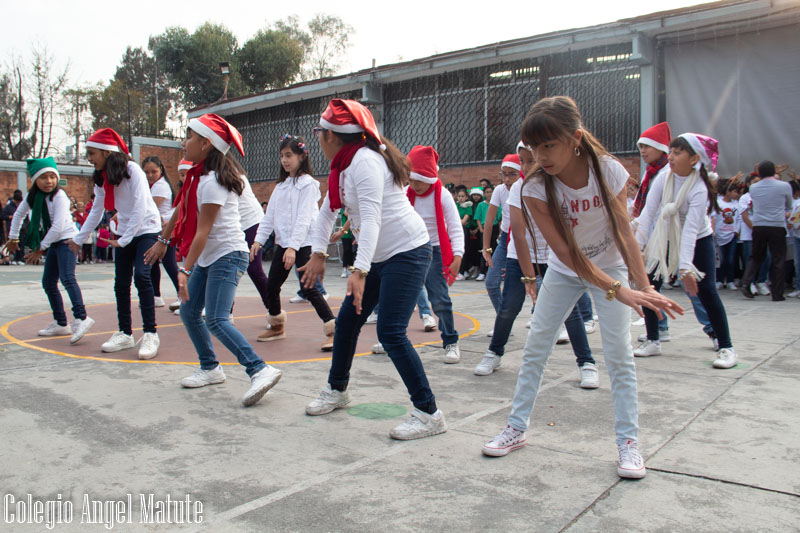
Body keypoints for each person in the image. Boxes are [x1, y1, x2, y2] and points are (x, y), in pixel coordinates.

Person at [481, 96, 682, 480]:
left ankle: (628, 442)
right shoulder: (534, 188)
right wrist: (617, 289)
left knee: (620, 355)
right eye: (534, 148)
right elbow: (567, 253)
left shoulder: (607, 170)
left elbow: (624, 231)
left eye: (549, 145)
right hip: (566, 269)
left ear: (574, 138)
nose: (541, 156)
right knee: (536, 345)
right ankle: (516, 428)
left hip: (613, 265)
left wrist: (642, 284)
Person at [301, 98, 446, 440]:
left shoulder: (364, 162)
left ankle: (429, 413)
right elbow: (327, 214)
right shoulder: (343, 166)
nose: (318, 139)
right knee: (349, 321)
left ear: (333, 136)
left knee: (391, 333)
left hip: (407, 252)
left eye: (320, 132)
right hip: (382, 256)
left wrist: (359, 270)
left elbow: (374, 218)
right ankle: (338, 390)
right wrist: (318, 252)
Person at [147, 113, 282, 406]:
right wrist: (163, 241)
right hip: (212, 257)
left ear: (206, 143)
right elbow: (182, 211)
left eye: (189, 137)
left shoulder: (212, 182)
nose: (184, 143)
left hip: (227, 254)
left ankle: (259, 369)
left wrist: (184, 269)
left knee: (218, 319)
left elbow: (202, 232)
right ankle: (210, 368)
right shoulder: (199, 178)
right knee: (189, 312)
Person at [474, 142, 599, 389]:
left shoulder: (559, 184)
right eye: (523, 161)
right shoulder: (518, 187)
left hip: (555, 257)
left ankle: (587, 363)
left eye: (532, 160)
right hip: (518, 256)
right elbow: (517, 234)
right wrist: (529, 275)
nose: (527, 166)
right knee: (509, 307)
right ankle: (494, 353)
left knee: (570, 312)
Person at [636, 133, 738, 369]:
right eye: (670, 151)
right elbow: (647, 215)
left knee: (706, 291)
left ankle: (726, 347)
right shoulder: (663, 177)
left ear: (694, 159)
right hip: (665, 237)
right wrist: (636, 251)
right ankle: (653, 339)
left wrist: (685, 268)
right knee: (648, 285)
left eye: (677, 152)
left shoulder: (699, 188)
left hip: (699, 241)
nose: (670, 156)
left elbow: (691, 230)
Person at [71, 128, 162, 359]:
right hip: (125, 233)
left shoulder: (133, 171)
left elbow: (141, 207)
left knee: (142, 276)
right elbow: (96, 211)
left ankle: (151, 333)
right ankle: (125, 333)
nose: (89, 159)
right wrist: (78, 239)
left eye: (92, 153)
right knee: (121, 282)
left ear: (107, 152)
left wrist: (125, 239)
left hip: (146, 230)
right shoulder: (102, 179)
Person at [250, 134, 336, 350]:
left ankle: (334, 329)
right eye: (282, 156)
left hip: (304, 243)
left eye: (289, 155)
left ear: (301, 156)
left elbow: (304, 219)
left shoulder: (309, 185)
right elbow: (269, 217)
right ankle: (277, 325)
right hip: (285, 243)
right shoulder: (281, 186)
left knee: (308, 287)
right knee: (271, 286)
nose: (285, 160)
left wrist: (292, 248)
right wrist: (258, 241)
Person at [7, 158, 95, 343]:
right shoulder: (32, 198)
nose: (49, 181)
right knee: (48, 282)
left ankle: (82, 317)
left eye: (52, 177)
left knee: (67, 278)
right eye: (43, 177)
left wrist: (40, 249)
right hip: (54, 242)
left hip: (67, 241)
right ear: (35, 180)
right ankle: (61, 323)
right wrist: (13, 238)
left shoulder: (59, 196)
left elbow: (58, 226)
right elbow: (18, 216)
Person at [404, 145, 464, 363]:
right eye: (411, 180)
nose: (414, 185)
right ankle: (391, 338)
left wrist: (457, 256)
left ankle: (450, 341)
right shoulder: (406, 194)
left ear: (429, 177)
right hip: (410, 249)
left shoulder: (443, 195)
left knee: (439, 299)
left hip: (436, 250)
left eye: (418, 180)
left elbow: (455, 227)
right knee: (400, 297)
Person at [740, 160, 793, 301]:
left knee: (756, 256)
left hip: (759, 225)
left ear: (759, 173)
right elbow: (789, 204)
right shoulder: (784, 186)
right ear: (773, 171)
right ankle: (777, 293)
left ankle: (746, 283)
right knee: (778, 258)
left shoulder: (754, 188)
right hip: (777, 225)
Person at [482, 154, 521, 314]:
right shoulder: (499, 190)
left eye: (512, 174)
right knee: (491, 282)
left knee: (539, 282)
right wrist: (486, 248)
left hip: (527, 239)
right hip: (506, 239)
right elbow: (489, 220)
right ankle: (503, 320)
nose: (507, 179)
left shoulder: (527, 189)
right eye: (504, 174)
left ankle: (538, 316)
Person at [143, 155, 180, 309]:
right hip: (158, 228)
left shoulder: (160, 186)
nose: (150, 175)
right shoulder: (154, 186)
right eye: (147, 172)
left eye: (154, 172)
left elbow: (150, 210)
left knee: (169, 262)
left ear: (161, 170)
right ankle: (156, 296)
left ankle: (183, 295)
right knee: (153, 262)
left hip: (165, 229)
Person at [714, 177, 742, 290]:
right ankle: (719, 279)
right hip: (719, 235)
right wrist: (715, 231)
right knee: (720, 259)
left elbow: (739, 218)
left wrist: (736, 230)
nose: (737, 194)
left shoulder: (736, 204)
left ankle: (730, 280)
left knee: (730, 259)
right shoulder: (718, 203)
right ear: (727, 192)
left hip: (732, 235)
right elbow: (714, 218)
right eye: (734, 191)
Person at [787, 180, 800, 298]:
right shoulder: (796, 202)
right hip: (797, 235)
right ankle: (798, 287)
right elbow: (793, 218)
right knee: (797, 262)